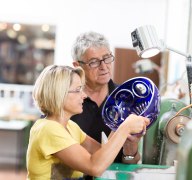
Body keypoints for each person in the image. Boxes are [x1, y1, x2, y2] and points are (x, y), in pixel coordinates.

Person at [26, 65, 150, 179]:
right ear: (59, 94)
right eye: (78, 90)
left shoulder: (70, 127)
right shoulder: (48, 129)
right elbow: (94, 167)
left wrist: (120, 124)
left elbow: (103, 155)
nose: (84, 95)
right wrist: (125, 128)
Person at [71, 31, 142, 168]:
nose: (104, 67)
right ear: (77, 66)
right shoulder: (65, 100)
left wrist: (130, 148)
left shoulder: (127, 99)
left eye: (107, 58)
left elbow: (131, 162)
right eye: (94, 62)